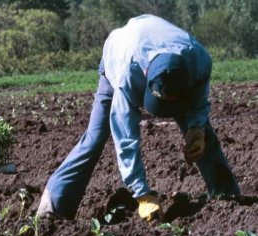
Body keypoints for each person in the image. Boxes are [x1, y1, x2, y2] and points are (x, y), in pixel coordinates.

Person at [37, 14, 240, 222]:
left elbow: (198, 101)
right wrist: (141, 194)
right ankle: (53, 207)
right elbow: (126, 139)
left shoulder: (199, 61)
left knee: (205, 138)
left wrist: (196, 129)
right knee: (95, 137)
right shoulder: (128, 75)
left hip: (167, 58)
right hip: (118, 55)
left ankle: (230, 202)